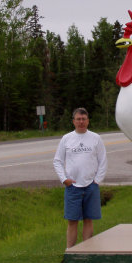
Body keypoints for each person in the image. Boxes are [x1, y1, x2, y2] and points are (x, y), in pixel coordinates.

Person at [53, 107, 107, 252]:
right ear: (74, 121)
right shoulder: (66, 139)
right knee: (72, 221)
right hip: (73, 187)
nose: (81, 122)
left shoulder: (95, 138)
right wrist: (64, 179)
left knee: (88, 219)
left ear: (88, 121)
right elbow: (57, 161)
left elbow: (102, 160)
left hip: (91, 185)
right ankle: (70, 253)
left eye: (84, 119)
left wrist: (97, 180)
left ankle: (87, 252)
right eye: (78, 119)